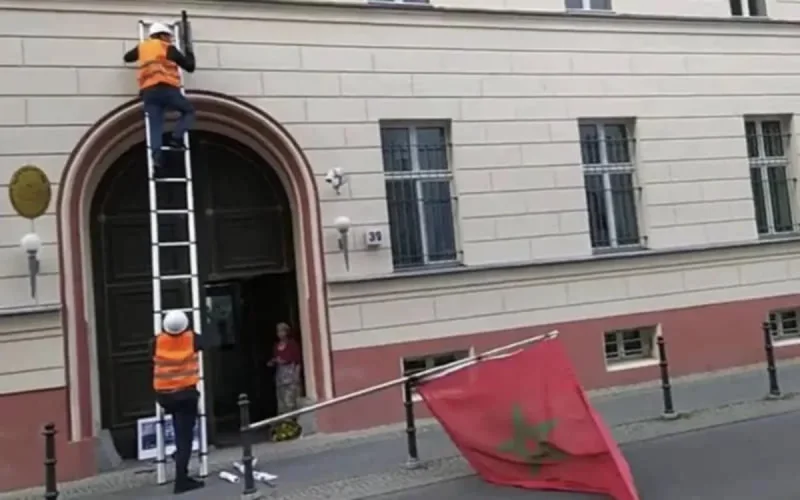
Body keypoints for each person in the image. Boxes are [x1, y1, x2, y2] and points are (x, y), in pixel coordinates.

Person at [123, 22, 196, 169]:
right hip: (167, 88)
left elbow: (127, 57)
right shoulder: (166, 47)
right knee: (188, 111)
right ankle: (176, 138)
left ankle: (156, 157)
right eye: (168, 36)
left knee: (155, 125)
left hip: (149, 92)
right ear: (162, 35)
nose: (170, 39)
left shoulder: (142, 47)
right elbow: (189, 67)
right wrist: (190, 53)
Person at [152, 310, 205, 494]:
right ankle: (181, 479)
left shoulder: (156, 341)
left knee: (178, 428)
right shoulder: (193, 339)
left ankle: (178, 456)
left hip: (165, 397)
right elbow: (205, 343)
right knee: (185, 438)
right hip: (185, 396)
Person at [267, 322, 303, 441]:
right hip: (280, 376)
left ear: (286, 332)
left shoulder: (292, 344)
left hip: (290, 375)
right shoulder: (276, 346)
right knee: (281, 403)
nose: (280, 333)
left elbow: (297, 361)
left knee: (290, 402)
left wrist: (296, 376)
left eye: (282, 331)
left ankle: (292, 427)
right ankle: (283, 428)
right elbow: (276, 359)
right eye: (278, 331)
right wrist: (273, 362)